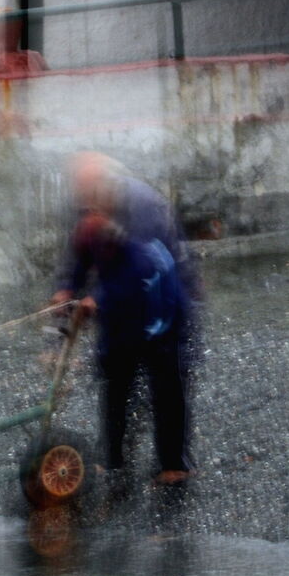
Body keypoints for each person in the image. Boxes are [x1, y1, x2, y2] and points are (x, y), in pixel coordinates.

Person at [49, 152, 197, 485]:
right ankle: (113, 459)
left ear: (107, 187)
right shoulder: (88, 209)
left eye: (91, 198)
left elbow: (146, 268)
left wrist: (98, 297)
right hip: (120, 313)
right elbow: (78, 253)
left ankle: (174, 462)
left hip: (161, 304)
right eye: (82, 200)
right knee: (114, 380)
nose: (87, 208)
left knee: (166, 384)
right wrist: (66, 288)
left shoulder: (143, 207)